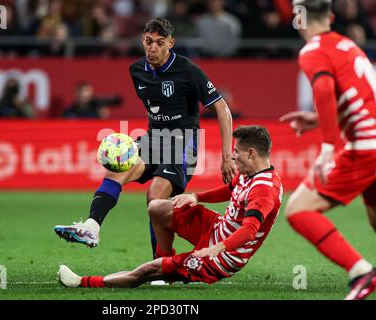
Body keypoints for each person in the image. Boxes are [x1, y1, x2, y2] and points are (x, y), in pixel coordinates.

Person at [54, 18, 236, 261]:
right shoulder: (137, 70)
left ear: (171, 43)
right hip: (153, 140)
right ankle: (91, 227)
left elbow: (222, 109)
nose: (153, 48)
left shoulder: (188, 71)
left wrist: (226, 157)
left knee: (154, 196)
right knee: (115, 172)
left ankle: (161, 262)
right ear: (142, 40)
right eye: (149, 42)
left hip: (183, 144)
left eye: (160, 43)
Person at [57, 125, 282, 288]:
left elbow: (249, 230)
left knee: (146, 271)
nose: (233, 157)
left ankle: (81, 282)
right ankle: (164, 263)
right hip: (215, 227)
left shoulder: (264, 189)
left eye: (236, 152)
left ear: (251, 153)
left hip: (223, 257)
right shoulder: (250, 174)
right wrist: (196, 196)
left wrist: (217, 248)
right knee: (157, 206)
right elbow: (229, 190)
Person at [280, 0, 376, 300]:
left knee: (298, 210)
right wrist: (317, 120)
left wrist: (327, 149)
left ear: (299, 19)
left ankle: (361, 272)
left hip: (365, 147)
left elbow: (322, 90)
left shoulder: (312, 51)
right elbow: (359, 97)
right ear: (331, 17)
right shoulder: (348, 45)